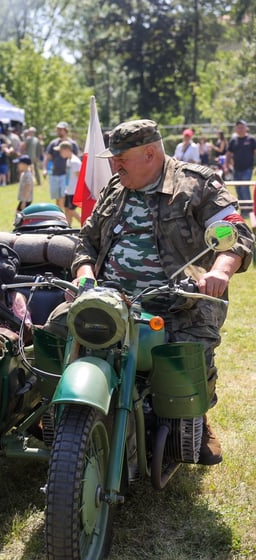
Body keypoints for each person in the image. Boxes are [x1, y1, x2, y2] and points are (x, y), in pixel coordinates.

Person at [71, 119, 253, 465]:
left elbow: (237, 233)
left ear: (150, 153)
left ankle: (195, 413)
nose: (114, 165)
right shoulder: (116, 187)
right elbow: (87, 240)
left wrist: (219, 270)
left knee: (191, 355)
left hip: (178, 301)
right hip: (111, 299)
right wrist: (83, 275)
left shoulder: (197, 184)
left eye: (121, 158)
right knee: (55, 329)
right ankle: (65, 416)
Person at [43, 122, 79, 215]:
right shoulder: (53, 143)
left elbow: (75, 158)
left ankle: (64, 217)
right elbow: (48, 157)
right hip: (55, 174)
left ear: (66, 130)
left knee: (64, 198)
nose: (58, 131)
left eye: (60, 129)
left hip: (66, 175)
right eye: (57, 129)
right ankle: (60, 215)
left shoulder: (72, 144)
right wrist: (44, 169)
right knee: (57, 198)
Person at [225, 119, 256, 219]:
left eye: (242, 127)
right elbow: (228, 154)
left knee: (244, 187)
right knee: (238, 189)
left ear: (246, 128)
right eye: (238, 127)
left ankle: (248, 210)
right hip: (236, 169)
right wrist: (226, 165)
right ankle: (243, 209)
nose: (240, 129)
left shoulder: (251, 140)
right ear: (236, 129)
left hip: (247, 168)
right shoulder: (233, 140)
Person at [59, 140, 82, 226]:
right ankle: (68, 227)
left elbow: (80, 177)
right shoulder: (68, 160)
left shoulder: (75, 162)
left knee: (71, 209)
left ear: (67, 150)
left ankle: (85, 225)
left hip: (74, 191)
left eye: (61, 151)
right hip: (69, 190)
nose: (60, 153)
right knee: (66, 209)